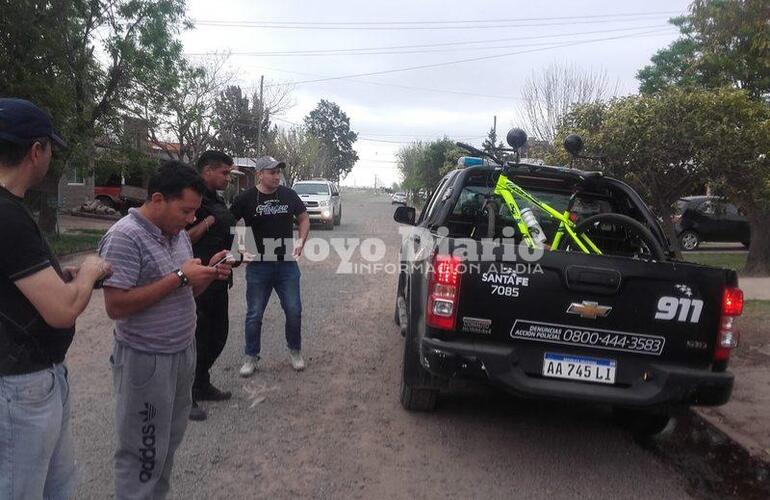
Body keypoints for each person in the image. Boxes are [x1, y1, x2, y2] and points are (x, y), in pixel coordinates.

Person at [99, 161, 231, 499]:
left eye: (195, 212)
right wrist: (181, 277)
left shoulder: (176, 236)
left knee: (167, 444)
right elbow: (117, 306)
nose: (191, 219)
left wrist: (206, 274)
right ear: (157, 199)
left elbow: (185, 291)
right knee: (143, 452)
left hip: (182, 353)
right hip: (147, 359)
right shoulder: (124, 237)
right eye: (185, 210)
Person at [0, 98, 111, 499]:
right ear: (35, 151)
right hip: (21, 385)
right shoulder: (8, 216)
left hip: (31, 376)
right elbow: (62, 311)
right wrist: (90, 272)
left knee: (56, 488)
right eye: (50, 149)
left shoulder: (11, 210)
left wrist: (58, 278)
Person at [230, 157, 310, 376]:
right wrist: (239, 248)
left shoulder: (289, 195)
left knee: (294, 311)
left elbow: (303, 219)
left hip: (286, 266)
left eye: (278, 173)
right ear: (260, 174)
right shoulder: (245, 198)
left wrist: (301, 241)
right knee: (254, 314)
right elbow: (228, 220)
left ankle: (295, 351)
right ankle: (251, 356)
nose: (277, 176)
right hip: (258, 267)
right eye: (272, 172)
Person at [186, 151, 237, 421]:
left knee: (217, 334)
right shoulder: (192, 199)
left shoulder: (216, 198)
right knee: (195, 338)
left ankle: (201, 382)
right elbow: (183, 236)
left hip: (218, 277)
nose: (228, 178)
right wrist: (207, 222)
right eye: (224, 173)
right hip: (197, 279)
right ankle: (186, 396)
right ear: (207, 170)